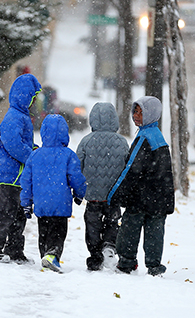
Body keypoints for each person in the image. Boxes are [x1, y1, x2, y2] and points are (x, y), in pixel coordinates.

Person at [107, 96, 175, 276]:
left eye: (141, 112)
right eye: (135, 111)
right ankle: (154, 266)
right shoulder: (158, 136)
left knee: (129, 229)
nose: (136, 115)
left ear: (151, 114)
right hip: (157, 198)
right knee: (155, 233)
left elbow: (131, 170)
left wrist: (115, 194)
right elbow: (166, 173)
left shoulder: (144, 138)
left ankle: (126, 262)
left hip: (140, 198)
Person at [0, 73, 42, 264]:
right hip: (9, 175)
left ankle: (15, 250)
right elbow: (13, 143)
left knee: (19, 214)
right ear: (25, 96)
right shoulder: (14, 117)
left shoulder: (22, 116)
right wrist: (30, 155)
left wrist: (32, 149)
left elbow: (20, 142)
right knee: (6, 211)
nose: (33, 102)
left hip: (18, 177)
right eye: (32, 97)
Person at [20, 114, 87, 273]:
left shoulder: (35, 155)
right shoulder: (68, 155)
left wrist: (26, 203)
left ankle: (45, 255)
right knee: (58, 233)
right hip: (60, 203)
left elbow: (26, 181)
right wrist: (79, 194)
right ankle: (52, 255)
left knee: (44, 231)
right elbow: (76, 177)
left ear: (44, 132)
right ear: (65, 133)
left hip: (42, 204)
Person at [76, 102, 129, 271]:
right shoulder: (122, 142)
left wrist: (78, 190)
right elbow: (127, 168)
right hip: (114, 194)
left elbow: (78, 167)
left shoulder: (86, 141)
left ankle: (95, 254)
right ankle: (109, 245)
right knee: (113, 221)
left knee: (92, 223)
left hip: (93, 193)